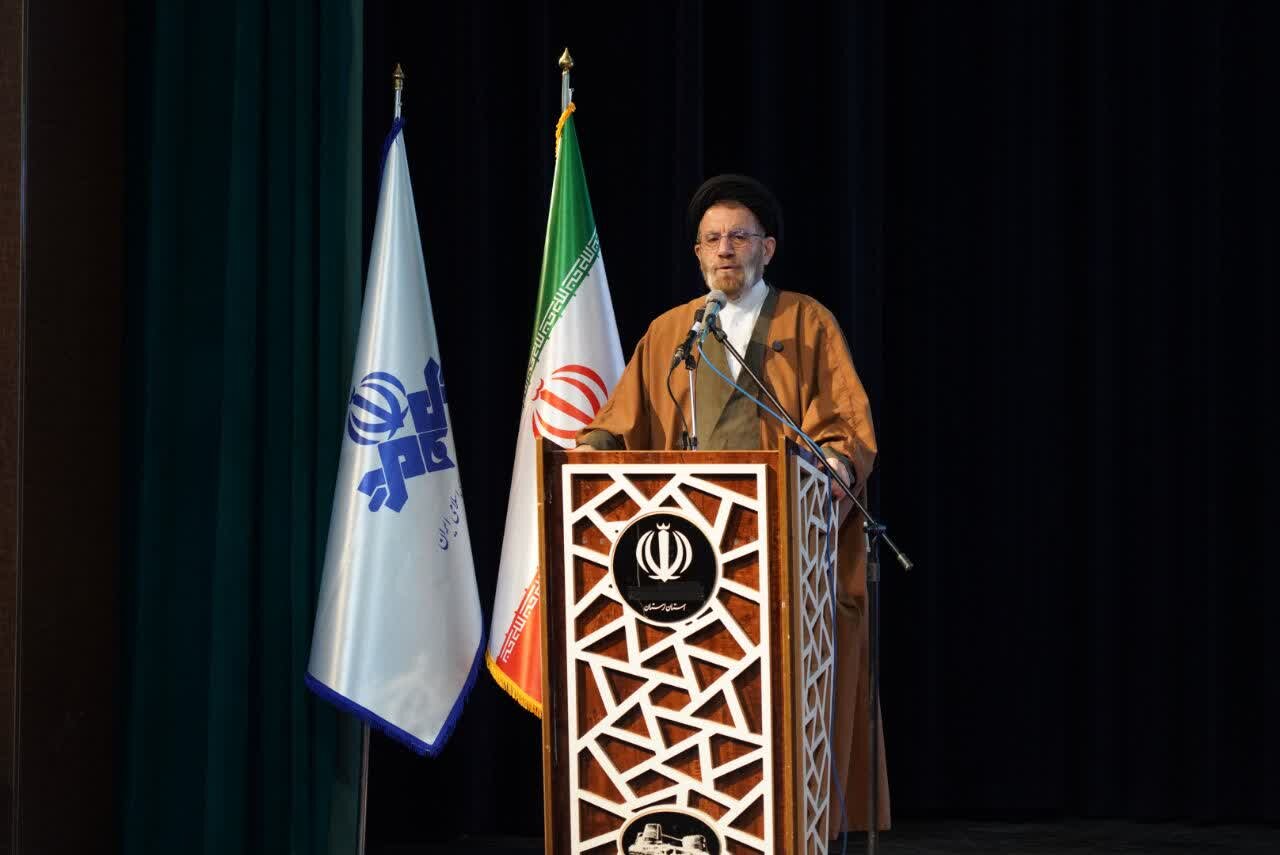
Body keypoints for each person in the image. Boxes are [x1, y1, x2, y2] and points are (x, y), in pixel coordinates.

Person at [575, 174, 889, 834]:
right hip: (684, 561)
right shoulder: (672, 332)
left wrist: (834, 464)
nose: (725, 250)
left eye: (739, 237)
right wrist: (587, 450)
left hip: (780, 556)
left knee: (774, 710)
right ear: (697, 253)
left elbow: (845, 425)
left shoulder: (805, 322)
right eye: (712, 239)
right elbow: (618, 423)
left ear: (766, 249)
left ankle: (784, 826)